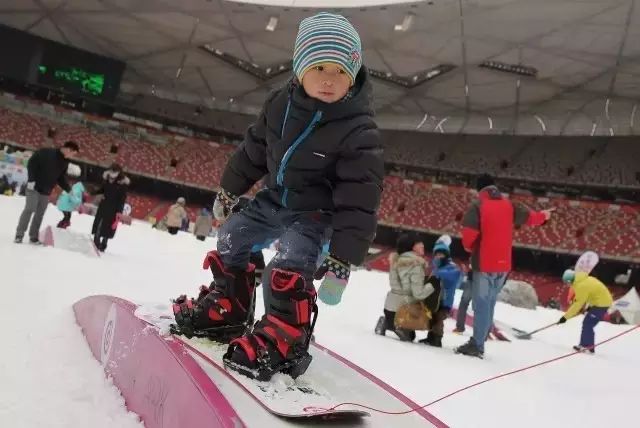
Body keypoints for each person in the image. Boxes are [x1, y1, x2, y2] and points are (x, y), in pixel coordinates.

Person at [172, 12, 383, 381]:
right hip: (275, 199)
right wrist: (229, 188)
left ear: (353, 72)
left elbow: (359, 198)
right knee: (232, 236)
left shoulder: (358, 130)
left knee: (286, 267)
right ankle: (229, 306)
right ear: (300, 67)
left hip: (316, 214)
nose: (329, 79)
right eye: (319, 66)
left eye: (339, 70)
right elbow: (254, 150)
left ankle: (286, 337)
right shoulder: (278, 105)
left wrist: (342, 261)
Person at [456, 174, 553, 358]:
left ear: (479, 190)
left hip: (485, 263)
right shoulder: (509, 204)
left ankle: (477, 345)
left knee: (481, 304)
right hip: (504, 265)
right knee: (490, 302)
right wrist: (544, 216)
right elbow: (532, 218)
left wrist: (471, 249)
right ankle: (480, 339)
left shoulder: (478, 206)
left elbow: (468, 237)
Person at [14, 141, 79, 244]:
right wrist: (31, 179)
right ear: (68, 149)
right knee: (30, 208)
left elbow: (61, 177)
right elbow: (32, 163)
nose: (73, 156)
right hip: (34, 187)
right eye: (73, 153)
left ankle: (33, 236)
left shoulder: (65, 162)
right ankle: (19, 234)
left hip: (46, 190)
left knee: (40, 214)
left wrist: (68, 190)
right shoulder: (46, 152)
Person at [375, 234, 435, 342]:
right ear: (412, 246)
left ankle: (388, 322)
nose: (422, 245)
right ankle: (399, 326)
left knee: (408, 332)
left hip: (389, 307)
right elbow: (418, 293)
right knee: (411, 334)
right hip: (404, 311)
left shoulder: (396, 260)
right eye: (419, 243)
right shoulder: (416, 264)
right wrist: (432, 286)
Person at [557, 269, 613, 353]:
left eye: (566, 282)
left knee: (588, 323)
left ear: (570, 280)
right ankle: (588, 345)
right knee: (587, 323)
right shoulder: (581, 280)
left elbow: (577, 304)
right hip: (598, 301)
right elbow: (584, 297)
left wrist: (565, 317)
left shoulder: (581, 285)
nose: (566, 285)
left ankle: (586, 346)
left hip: (602, 304)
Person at [420, 238, 462, 347]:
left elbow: (454, 275)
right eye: (437, 255)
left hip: (445, 301)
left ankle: (437, 339)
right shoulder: (436, 268)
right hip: (435, 299)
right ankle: (431, 337)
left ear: (446, 255)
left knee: (439, 318)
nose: (438, 257)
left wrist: (437, 273)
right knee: (432, 317)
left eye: (441, 255)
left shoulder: (452, 268)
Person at [92, 164, 129, 252]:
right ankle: (96, 239)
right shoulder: (107, 179)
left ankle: (104, 241)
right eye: (111, 171)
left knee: (108, 226)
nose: (112, 174)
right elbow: (103, 189)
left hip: (114, 208)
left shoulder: (122, 184)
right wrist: (94, 192)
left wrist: (119, 211)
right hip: (104, 205)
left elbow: (122, 199)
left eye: (114, 172)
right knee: (99, 222)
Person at [55, 164, 85, 229]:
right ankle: (64, 223)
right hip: (66, 203)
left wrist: (78, 202)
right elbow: (74, 196)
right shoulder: (75, 186)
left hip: (66, 203)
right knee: (67, 215)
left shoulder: (74, 185)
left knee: (67, 214)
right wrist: (78, 202)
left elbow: (74, 196)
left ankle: (64, 223)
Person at [453, 268, 472, 334]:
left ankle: (460, 328)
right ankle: (484, 331)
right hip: (486, 281)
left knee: (463, 303)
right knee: (483, 307)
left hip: (473, 279)